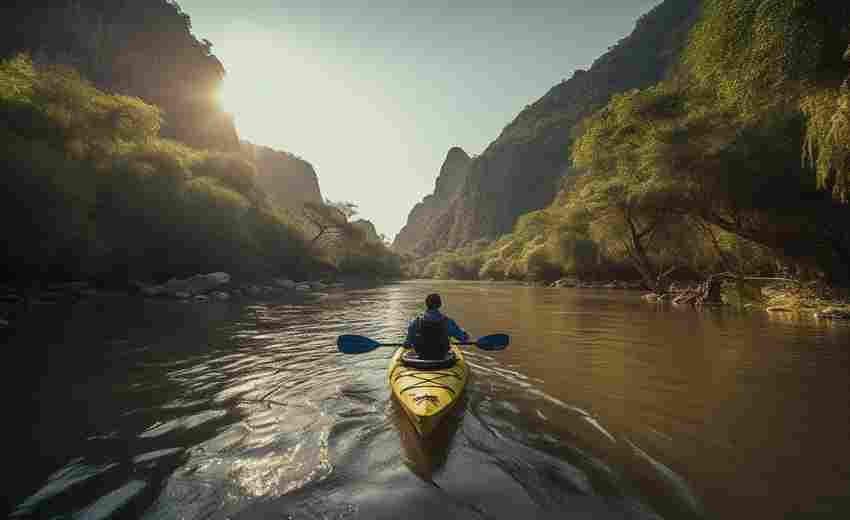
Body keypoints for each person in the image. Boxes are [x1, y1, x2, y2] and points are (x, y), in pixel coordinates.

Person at [404, 293, 469, 360]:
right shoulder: (447, 321)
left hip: (422, 355)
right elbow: (464, 338)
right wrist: (464, 333)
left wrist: (408, 343)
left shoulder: (416, 322)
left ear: (426, 304)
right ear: (440, 304)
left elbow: (407, 344)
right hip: (441, 357)